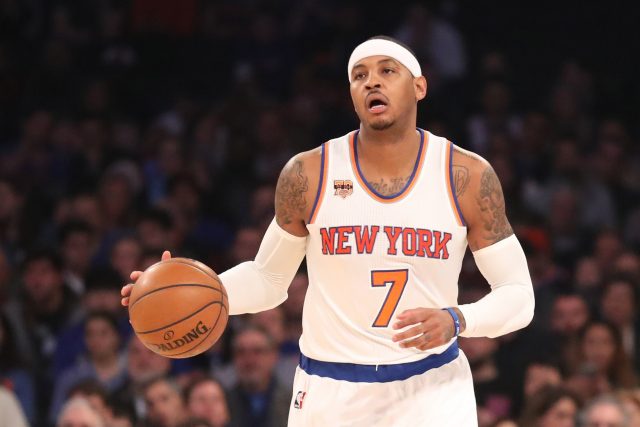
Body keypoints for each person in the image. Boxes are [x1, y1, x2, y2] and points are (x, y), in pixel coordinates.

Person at [122, 35, 535, 426]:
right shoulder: (309, 173)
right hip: (329, 387)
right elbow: (269, 278)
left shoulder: (465, 175)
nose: (371, 80)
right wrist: (190, 291)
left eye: (387, 70)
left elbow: (519, 296)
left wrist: (459, 319)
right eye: (360, 75)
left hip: (432, 386)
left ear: (420, 87)